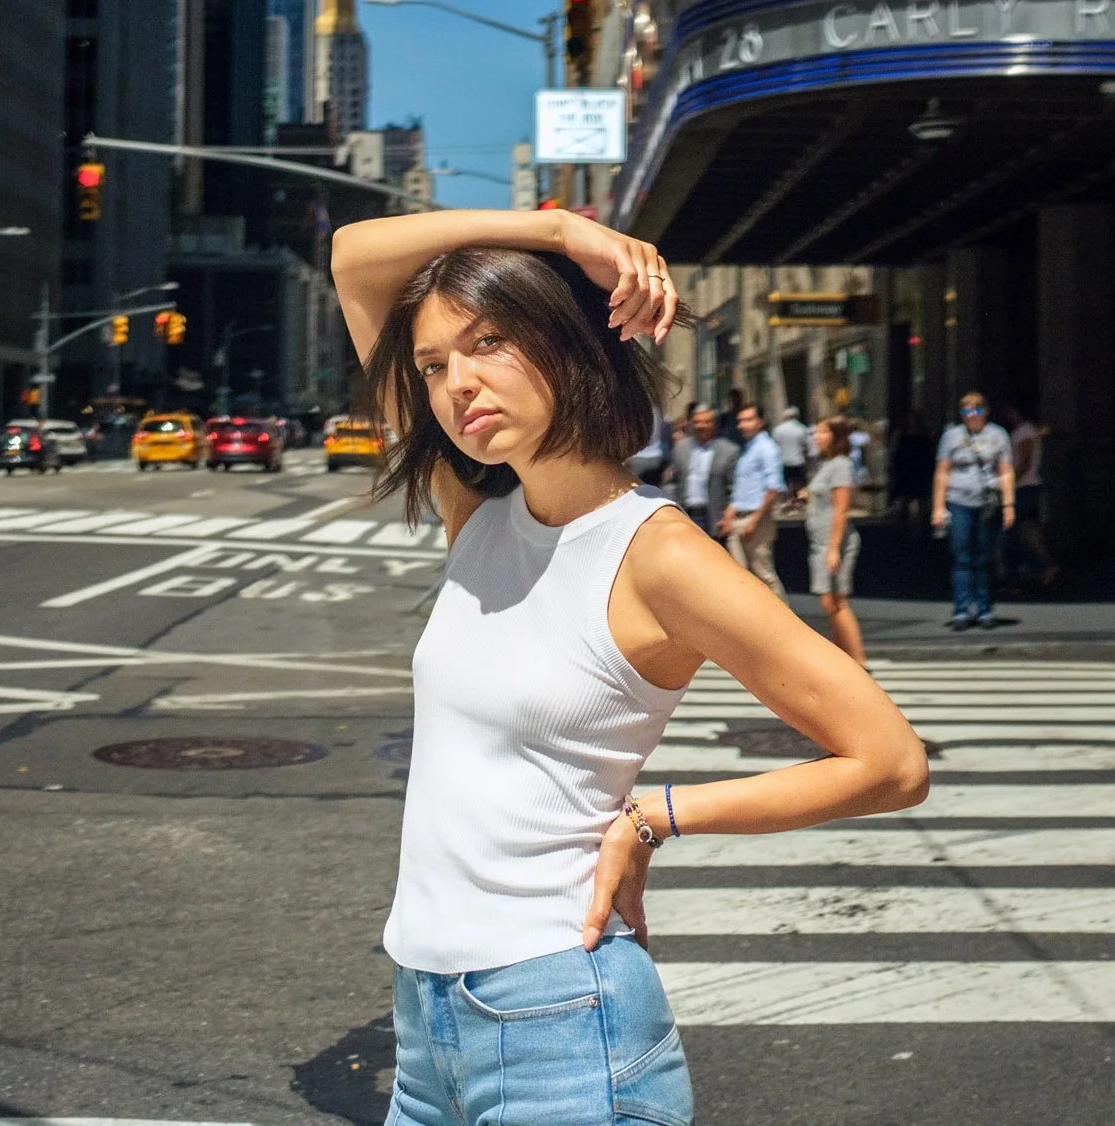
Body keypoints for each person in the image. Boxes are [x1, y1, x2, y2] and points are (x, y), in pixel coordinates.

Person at [331, 207, 930, 1126]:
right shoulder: (477, 512)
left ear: (566, 344)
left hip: (561, 1026)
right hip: (427, 1021)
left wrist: (656, 816)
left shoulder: (657, 554)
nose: (457, 383)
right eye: (433, 364)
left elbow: (889, 761)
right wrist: (563, 230)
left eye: (488, 342)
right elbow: (352, 258)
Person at [931, 390, 1015, 631]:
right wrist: (938, 507)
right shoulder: (952, 436)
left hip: (987, 501)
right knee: (962, 557)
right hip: (959, 501)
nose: (972, 414)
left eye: (977, 409)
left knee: (984, 557)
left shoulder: (997, 435)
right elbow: (943, 472)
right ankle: (962, 610)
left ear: (985, 411)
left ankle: (985, 609)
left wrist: (1009, 504)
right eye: (966, 410)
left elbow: (1005, 470)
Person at [803, 415, 864, 665]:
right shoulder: (826, 464)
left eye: (822, 432)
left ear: (836, 437)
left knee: (837, 601)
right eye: (816, 433)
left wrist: (833, 549)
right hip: (821, 541)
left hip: (832, 542)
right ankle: (842, 658)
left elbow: (841, 510)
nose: (816, 437)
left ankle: (859, 661)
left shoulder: (840, 464)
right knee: (829, 601)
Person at [725, 403, 786, 593]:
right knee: (739, 574)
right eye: (740, 420)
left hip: (756, 518)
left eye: (748, 420)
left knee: (764, 574)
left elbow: (774, 487)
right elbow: (744, 484)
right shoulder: (747, 449)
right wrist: (731, 509)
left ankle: (782, 619)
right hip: (739, 517)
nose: (742, 425)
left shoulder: (766, 448)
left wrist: (755, 519)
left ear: (761, 422)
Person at [1001, 401, 1058, 589]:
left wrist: (1009, 483)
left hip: (1024, 487)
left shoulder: (1024, 432)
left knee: (1009, 534)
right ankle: (1037, 567)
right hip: (1029, 487)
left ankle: (1037, 565)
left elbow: (1024, 463)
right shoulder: (1027, 430)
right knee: (1029, 532)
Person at [663, 403, 736, 539]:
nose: (701, 426)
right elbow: (671, 482)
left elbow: (735, 488)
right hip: (686, 516)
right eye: (697, 422)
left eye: (706, 422)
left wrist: (728, 517)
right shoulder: (681, 448)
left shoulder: (728, 450)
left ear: (714, 424)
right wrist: (672, 511)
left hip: (713, 518)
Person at [771, 404, 811, 506]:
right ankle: (799, 503)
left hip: (783, 462)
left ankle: (787, 501)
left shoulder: (778, 429)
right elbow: (807, 446)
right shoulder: (803, 429)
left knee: (786, 484)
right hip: (798, 461)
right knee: (800, 484)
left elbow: (774, 446)